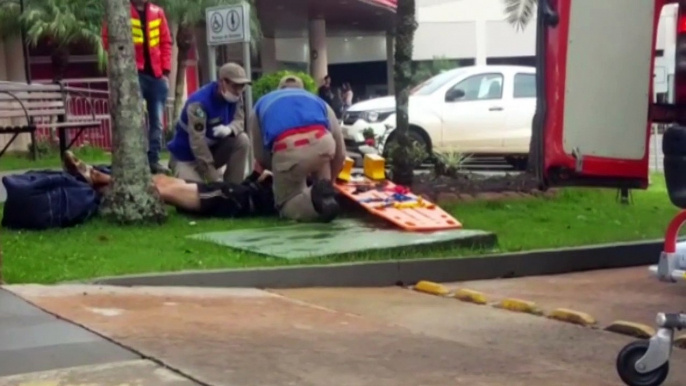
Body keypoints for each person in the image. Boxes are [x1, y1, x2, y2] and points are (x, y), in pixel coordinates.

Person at [248, 75, 346, 223]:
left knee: (287, 204)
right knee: (322, 158)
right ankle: (325, 193)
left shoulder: (262, 103)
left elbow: (260, 156)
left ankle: (315, 200)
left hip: (287, 149)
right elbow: (341, 153)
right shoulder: (317, 100)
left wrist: (281, 170)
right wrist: (331, 182)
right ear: (302, 89)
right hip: (323, 143)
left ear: (278, 89)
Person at [62, 151, 276, 218]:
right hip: (241, 190)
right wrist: (258, 175)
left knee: (165, 190)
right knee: (164, 180)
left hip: (239, 199)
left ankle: (100, 181)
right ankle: (100, 178)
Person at [102, 0, 173, 174]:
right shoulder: (121, 12)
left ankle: (153, 160)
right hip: (135, 74)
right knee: (135, 119)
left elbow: (165, 42)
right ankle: (137, 159)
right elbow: (107, 38)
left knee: (157, 122)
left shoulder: (158, 12)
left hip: (156, 76)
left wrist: (165, 72)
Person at [167, 62, 251, 184]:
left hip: (212, 151)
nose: (238, 91)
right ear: (222, 82)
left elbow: (239, 121)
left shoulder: (235, 96)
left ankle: (233, 190)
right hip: (186, 157)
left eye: (242, 86)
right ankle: (212, 183)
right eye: (235, 86)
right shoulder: (199, 104)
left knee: (242, 140)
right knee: (196, 195)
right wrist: (213, 177)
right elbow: (197, 143)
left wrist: (230, 129)